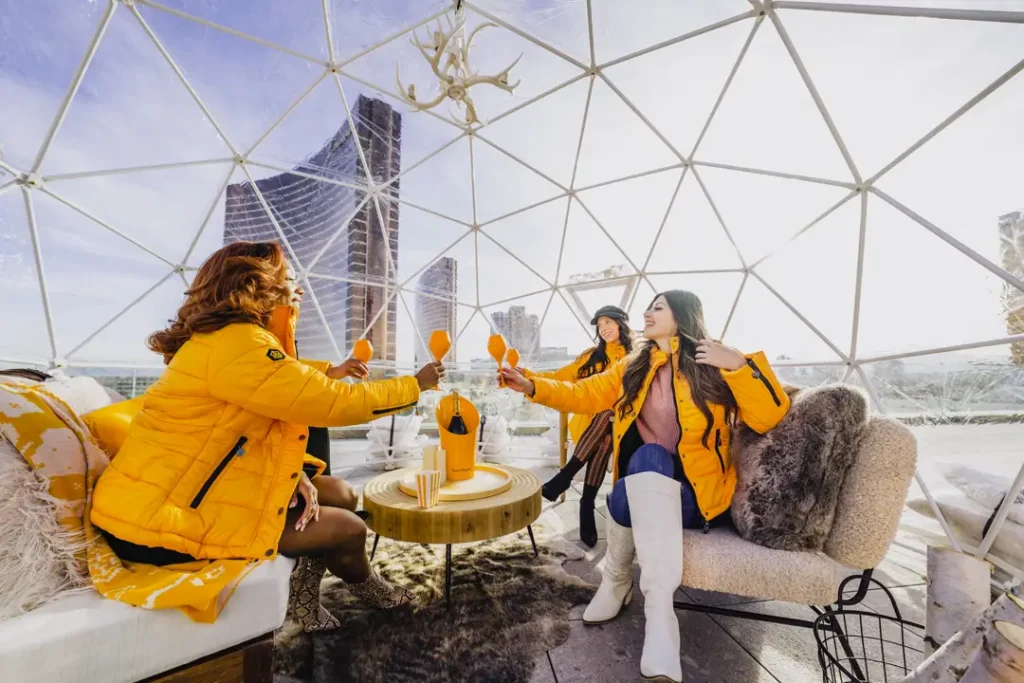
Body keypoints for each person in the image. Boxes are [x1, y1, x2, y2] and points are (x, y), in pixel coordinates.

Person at [91, 242, 445, 632]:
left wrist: (297, 472)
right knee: (350, 528)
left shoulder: (227, 340)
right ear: (257, 286)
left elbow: (277, 381)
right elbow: (330, 402)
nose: (299, 290)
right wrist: (415, 384)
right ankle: (369, 589)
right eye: (290, 281)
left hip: (186, 492)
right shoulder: (237, 343)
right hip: (160, 525)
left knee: (340, 491)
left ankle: (304, 597)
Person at [501, 290, 789, 683]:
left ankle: (626, 588)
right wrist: (530, 386)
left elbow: (770, 415)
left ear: (683, 315)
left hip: (698, 500)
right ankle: (652, 610)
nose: (646, 313)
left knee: (642, 469)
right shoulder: (634, 366)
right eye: (648, 307)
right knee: (647, 458)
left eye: (657, 307)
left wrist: (739, 365)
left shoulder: (715, 362)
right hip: (636, 496)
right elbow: (583, 393)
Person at [521, 305, 633, 547]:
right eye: (600, 325)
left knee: (607, 418)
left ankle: (566, 478)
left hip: (622, 426)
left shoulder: (635, 356)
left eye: (608, 323)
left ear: (621, 323)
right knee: (603, 429)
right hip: (589, 426)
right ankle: (586, 504)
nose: (603, 329)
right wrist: (528, 377)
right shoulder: (590, 356)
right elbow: (561, 377)